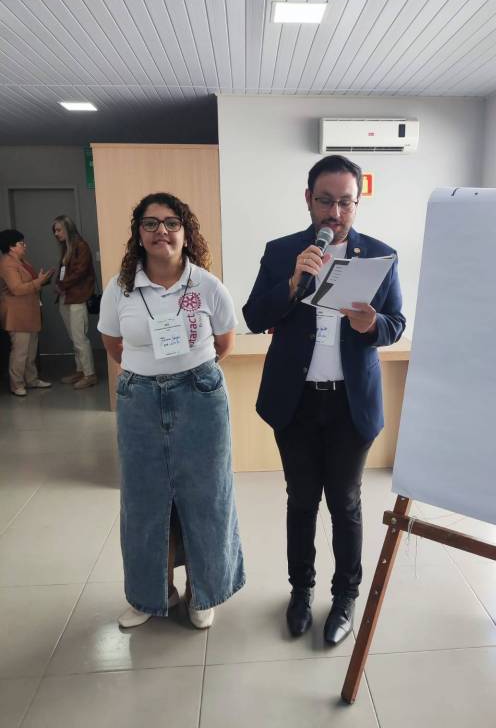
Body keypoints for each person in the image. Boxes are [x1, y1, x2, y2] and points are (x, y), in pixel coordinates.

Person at [243, 155, 406, 645]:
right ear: (308, 200)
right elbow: (254, 316)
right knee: (301, 501)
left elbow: (396, 324)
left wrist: (372, 325)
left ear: (357, 202)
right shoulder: (282, 252)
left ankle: (345, 597)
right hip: (295, 403)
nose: (335, 212)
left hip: (350, 405)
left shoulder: (379, 255)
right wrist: (292, 284)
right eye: (325, 201)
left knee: (346, 502)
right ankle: (300, 592)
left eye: (345, 202)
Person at [98, 192, 245, 630]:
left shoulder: (208, 285)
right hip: (139, 399)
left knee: (206, 496)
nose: (161, 231)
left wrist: (187, 373)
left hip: (199, 396)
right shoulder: (120, 287)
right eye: (150, 223)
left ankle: (204, 593)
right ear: (138, 234)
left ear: (185, 231)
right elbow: (112, 343)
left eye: (171, 222)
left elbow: (224, 343)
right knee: (143, 500)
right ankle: (153, 593)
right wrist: (151, 373)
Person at [0, 230, 53, 396]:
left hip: (29, 312)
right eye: (21, 243)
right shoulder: (7, 264)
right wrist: (39, 281)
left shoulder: (21, 261)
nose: (25, 246)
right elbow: (16, 289)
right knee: (20, 352)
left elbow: (28, 282)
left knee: (31, 351)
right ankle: (17, 384)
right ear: (11, 247)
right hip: (17, 314)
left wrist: (40, 279)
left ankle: (32, 379)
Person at [52, 215, 97, 389]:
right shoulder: (67, 247)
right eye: (54, 231)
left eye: (58, 230)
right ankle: (80, 370)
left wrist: (61, 285)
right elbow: (65, 271)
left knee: (79, 337)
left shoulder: (81, 246)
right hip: (66, 296)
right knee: (74, 337)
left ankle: (89, 374)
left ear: (68, 228)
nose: (56, 234)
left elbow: (79, 272)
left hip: (77, 297)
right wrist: (59, 285)